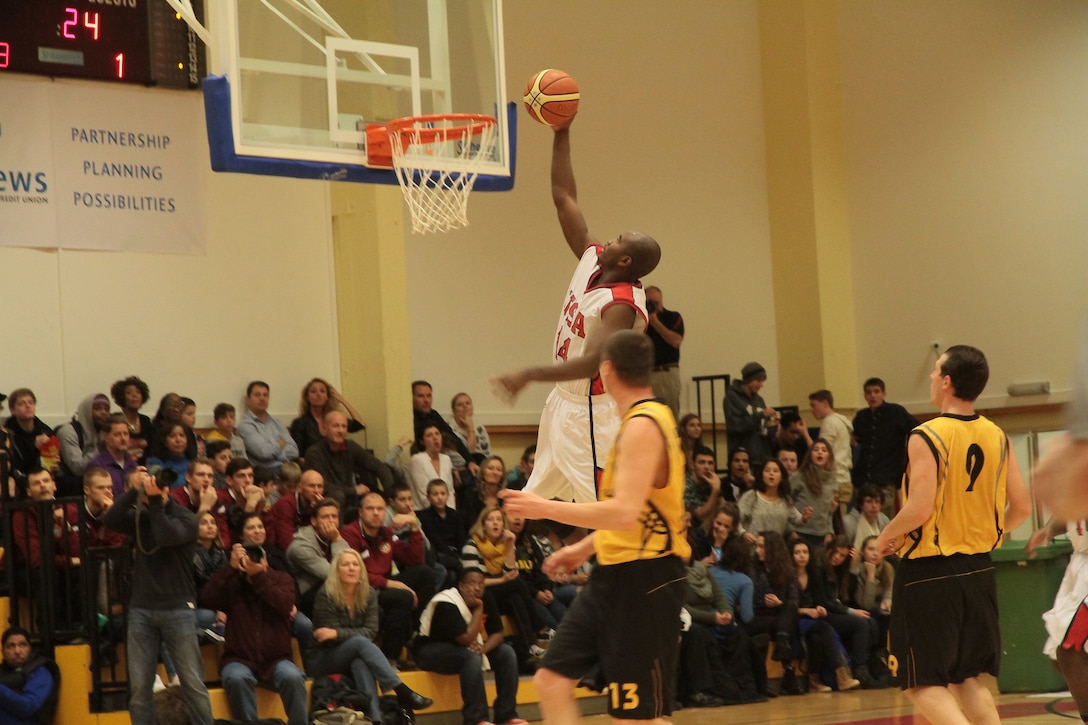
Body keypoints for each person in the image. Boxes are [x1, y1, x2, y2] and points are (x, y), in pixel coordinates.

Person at [501, 329, 689, 724]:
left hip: (648, 578)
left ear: (605, 370)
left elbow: (623, 512)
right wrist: (581, 549)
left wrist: (543, 505)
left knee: (639, 715)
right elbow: (636, 516)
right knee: (551, 680)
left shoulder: (644, 425)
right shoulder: (634, 423)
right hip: (613, 573)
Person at [494, 124, 659, 506]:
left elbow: (589, 365)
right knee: (529, 505)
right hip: (561, 404)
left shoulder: (621, 306)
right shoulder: (593, 259)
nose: (608, 239)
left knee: (607, 513)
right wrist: (562, 128)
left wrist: (528, 374)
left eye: (618, 240)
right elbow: (563, 195)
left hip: (591, 415)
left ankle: (644, 564)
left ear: (626, 260)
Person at [875, 345, 1031, 725]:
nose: (930, 377)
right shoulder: (997, 435)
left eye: (934, 371)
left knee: (921, 682)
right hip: (979, 570)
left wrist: (886, 535)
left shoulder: (926, 435)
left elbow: (919, 507)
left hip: (930, 573)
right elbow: (1023, 508)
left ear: (946, 381)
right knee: (967, 680)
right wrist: (991, 534)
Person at [102, 466, 214, 725]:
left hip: (178, 609)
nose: (155, 491)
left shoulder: (186, 518)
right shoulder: (142, 517)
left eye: (158, 487)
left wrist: (153, 500)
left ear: (167, 490)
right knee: (140, 689)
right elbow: (110, 519)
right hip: (142, 609)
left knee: (193, 684)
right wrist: (132, 491)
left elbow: (165, 535)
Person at [308, 549, 433, 724]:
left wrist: (339, 633)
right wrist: (347, 637)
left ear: (361, 570)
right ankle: (401, 690)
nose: (351, 568)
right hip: (323, 658)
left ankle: (375, 719)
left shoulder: (369, 594)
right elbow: (328, 638)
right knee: (360, 643)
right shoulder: (325, 595)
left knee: (361, 662)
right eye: (346, 564)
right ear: (337, 571)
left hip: (354, 654)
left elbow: (370, 631)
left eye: (355, 564)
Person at [202, 541, 309, 725]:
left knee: (293, 677)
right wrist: (230, 568)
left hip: (277, 661)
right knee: (237, 678)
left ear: (266, 561)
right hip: (239, 659)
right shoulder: (233, 582)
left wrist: (259, 577)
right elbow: (208, 598)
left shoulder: (281, 579)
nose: (253, 561)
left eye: (257, 557)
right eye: (248, 557)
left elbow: (284, 604)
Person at [414, 568, 526, 725]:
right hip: (430, 651)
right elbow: (466, 639)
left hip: (461, 649)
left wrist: (484, 649)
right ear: (461, 585)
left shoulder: (486, 596)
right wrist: (479, 608)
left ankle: (507, 715)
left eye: (481, 584)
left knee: (506, 653)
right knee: (471, 657)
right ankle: (476, 718)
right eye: (472, 583)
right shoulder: (447, 602)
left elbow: (498, 634)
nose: (477, 588)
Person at [341, 492, 436, 663]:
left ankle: (414, 632)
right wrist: (392, 583)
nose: (376, 513)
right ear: (361, 512)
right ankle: (390, 657)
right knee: (402, 596)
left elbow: (415, 560)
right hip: (362, 590)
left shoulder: (386, 533)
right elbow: (354, 574)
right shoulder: (350, 533)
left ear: (386, 512)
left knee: (426, 574)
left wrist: (414, 526)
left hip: (384, 587)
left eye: (380, 509)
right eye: (370, 509)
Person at [1029, 517, 1088, 722]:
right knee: (1059, 654)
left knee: (1070, 650)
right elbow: (1073, 512)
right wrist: (1049, 530)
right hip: (1080, 565)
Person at [790, 539, 861, 692]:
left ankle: (813, 681)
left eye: (805, 552)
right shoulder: (787, 576)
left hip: (811, 619)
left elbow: (819, 601)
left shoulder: (813, 574)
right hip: (792, 618)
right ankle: (841, 674)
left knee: (817, 638)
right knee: (824, 627)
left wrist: (819, 609)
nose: (802, 556)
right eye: (797, 552)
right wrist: (805, 611)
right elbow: (785, 605)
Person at [851, 378, 918, 517]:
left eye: (876, 391)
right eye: (869, 392)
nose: (873, 395)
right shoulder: (861, 417)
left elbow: (917, 430)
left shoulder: (896, 412)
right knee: (860, 520)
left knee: (885, 522)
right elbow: (856, 440)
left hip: (885, 478)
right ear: (865, 396)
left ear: (884, 394)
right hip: (862, 478)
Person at [304, 410, 392, 512]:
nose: (340, 430)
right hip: (326, 502)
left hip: (351, 500)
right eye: (336, 426)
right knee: (337, 495)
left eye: (344, 426)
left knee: (374, 501)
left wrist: (392, 497)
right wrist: (353, 490)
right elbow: (322, 486)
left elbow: (380, 467)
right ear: (324, 429)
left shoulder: (350, 446)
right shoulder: (314, 452)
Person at [290, 377, 366, 460]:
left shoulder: (334, 419)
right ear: (307, 397)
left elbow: (360, 424)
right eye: (313, 391)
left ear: (327, 397)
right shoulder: (300, 423)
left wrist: (342, 400)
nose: (318, 394)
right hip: (313, 465)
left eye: (322, 391)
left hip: (337, 462)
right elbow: (296, 454)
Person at [737, 459, 809, 543]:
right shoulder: (751, 496)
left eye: (775, 471)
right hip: (752, 546)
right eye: (767, 470)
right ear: (761, 475)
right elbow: (736, 519)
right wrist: (743, 533)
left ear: (781, 477)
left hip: (775, 549)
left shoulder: (785, 499)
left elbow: (797, 520)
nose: (771, 474)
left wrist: (804, 517)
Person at [237, 381, 299, 476]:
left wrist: (274, 451)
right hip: (263, 473)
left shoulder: (277, 422)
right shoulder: (245, 425)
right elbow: (263, 452)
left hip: (285, 469)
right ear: (247, 400)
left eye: (265, 395)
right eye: (257, 395)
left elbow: (294, 451)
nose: (262, 398)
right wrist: (280, 445)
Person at [0, 626, 60, 725]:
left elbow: (28, 706)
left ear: (30, 649)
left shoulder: (40, 672)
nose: (17, 651)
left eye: (23, 645)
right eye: (11, 646)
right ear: (3, 652)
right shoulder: (3, 672)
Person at [55, 392, 111, 496]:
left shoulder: (104, 432)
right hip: (70, 491)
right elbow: (78, 469)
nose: (104, 412)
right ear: (87, 411)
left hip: (97, 489)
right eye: (98, 409)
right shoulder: (68, 432)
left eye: (106, 409)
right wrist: (99, 449)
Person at [808, 390, 854, 515]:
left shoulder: (829, 422)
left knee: (835, 522)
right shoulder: (841, 420)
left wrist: (804, 433)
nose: (811, 410)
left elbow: (820, 453)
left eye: (813, 405)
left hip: (835, 479)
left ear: (825, 403)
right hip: (844, 477)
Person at [724, 363, 775, 467]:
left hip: (761, 456)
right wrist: (761, 415)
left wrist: (770, 423)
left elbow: (762, 425)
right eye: (758, 381)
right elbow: (736, 425)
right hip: (742, 457)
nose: (761, 385)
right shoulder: (732, 398)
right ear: (748, 379)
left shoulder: (759, 400)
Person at [644, 285, 684, 418]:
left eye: (656, 303)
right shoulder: (639, 321)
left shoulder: (672, 317)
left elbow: (676, 341)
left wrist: (656, 323)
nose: (653, 306)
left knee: (670, 417)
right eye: (649, 303)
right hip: (644, 374)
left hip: (666, 373)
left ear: (662, 301)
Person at [790, 440, 837, 552]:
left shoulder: (833, 482)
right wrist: (790, 530)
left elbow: (829, 512)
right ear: (810, 455)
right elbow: (785, 503)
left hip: (820, 536)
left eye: (824, 450)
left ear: (829, 456)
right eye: (816, 450)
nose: (819, 453)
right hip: (799, 533)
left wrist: (829, 532)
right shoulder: (798, 477)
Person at [3, 389, 54, 480]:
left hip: (46, 476)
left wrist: (55, 466)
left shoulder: (45, 430)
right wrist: (34, 448)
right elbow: (15, 467)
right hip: (21, 479)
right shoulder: (7, 434)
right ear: (12, 410)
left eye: (31, 402)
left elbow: (52, 459)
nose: (28, 406)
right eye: (21, 404)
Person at [409, 424, 455, 511]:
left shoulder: (446, 459)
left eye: (437, 434)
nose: (435, 438)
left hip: (446, 512)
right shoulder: (417, 460)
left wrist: (451, 513)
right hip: (423, 511)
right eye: (429, 435)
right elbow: (423, 494)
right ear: (422, 441)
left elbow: (450, 491)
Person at [110, 375, 154, 461]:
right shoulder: (114, 420)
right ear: (122, 397)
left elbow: (151, 450)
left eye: (138, 392)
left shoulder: (145, 421)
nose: (134, 395)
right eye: (129, 393)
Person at [684, 445, 726, 525]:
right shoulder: (686, 484)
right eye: (702, 462)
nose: (707, 467)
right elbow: (700, 516)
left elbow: (723, 506)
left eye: (710, 463)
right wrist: (715, 490)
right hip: (692, 529)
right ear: (693, 465)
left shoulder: (711, 480)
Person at [448, 393, 491, 466]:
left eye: (468, 403)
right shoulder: (449, 429)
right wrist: (470, 429)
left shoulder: (479, 428)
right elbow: (468, 457)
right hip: (461, 468)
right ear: (454, 410)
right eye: (460, 405)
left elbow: (487, 453)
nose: (465, 406)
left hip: (481, 468)